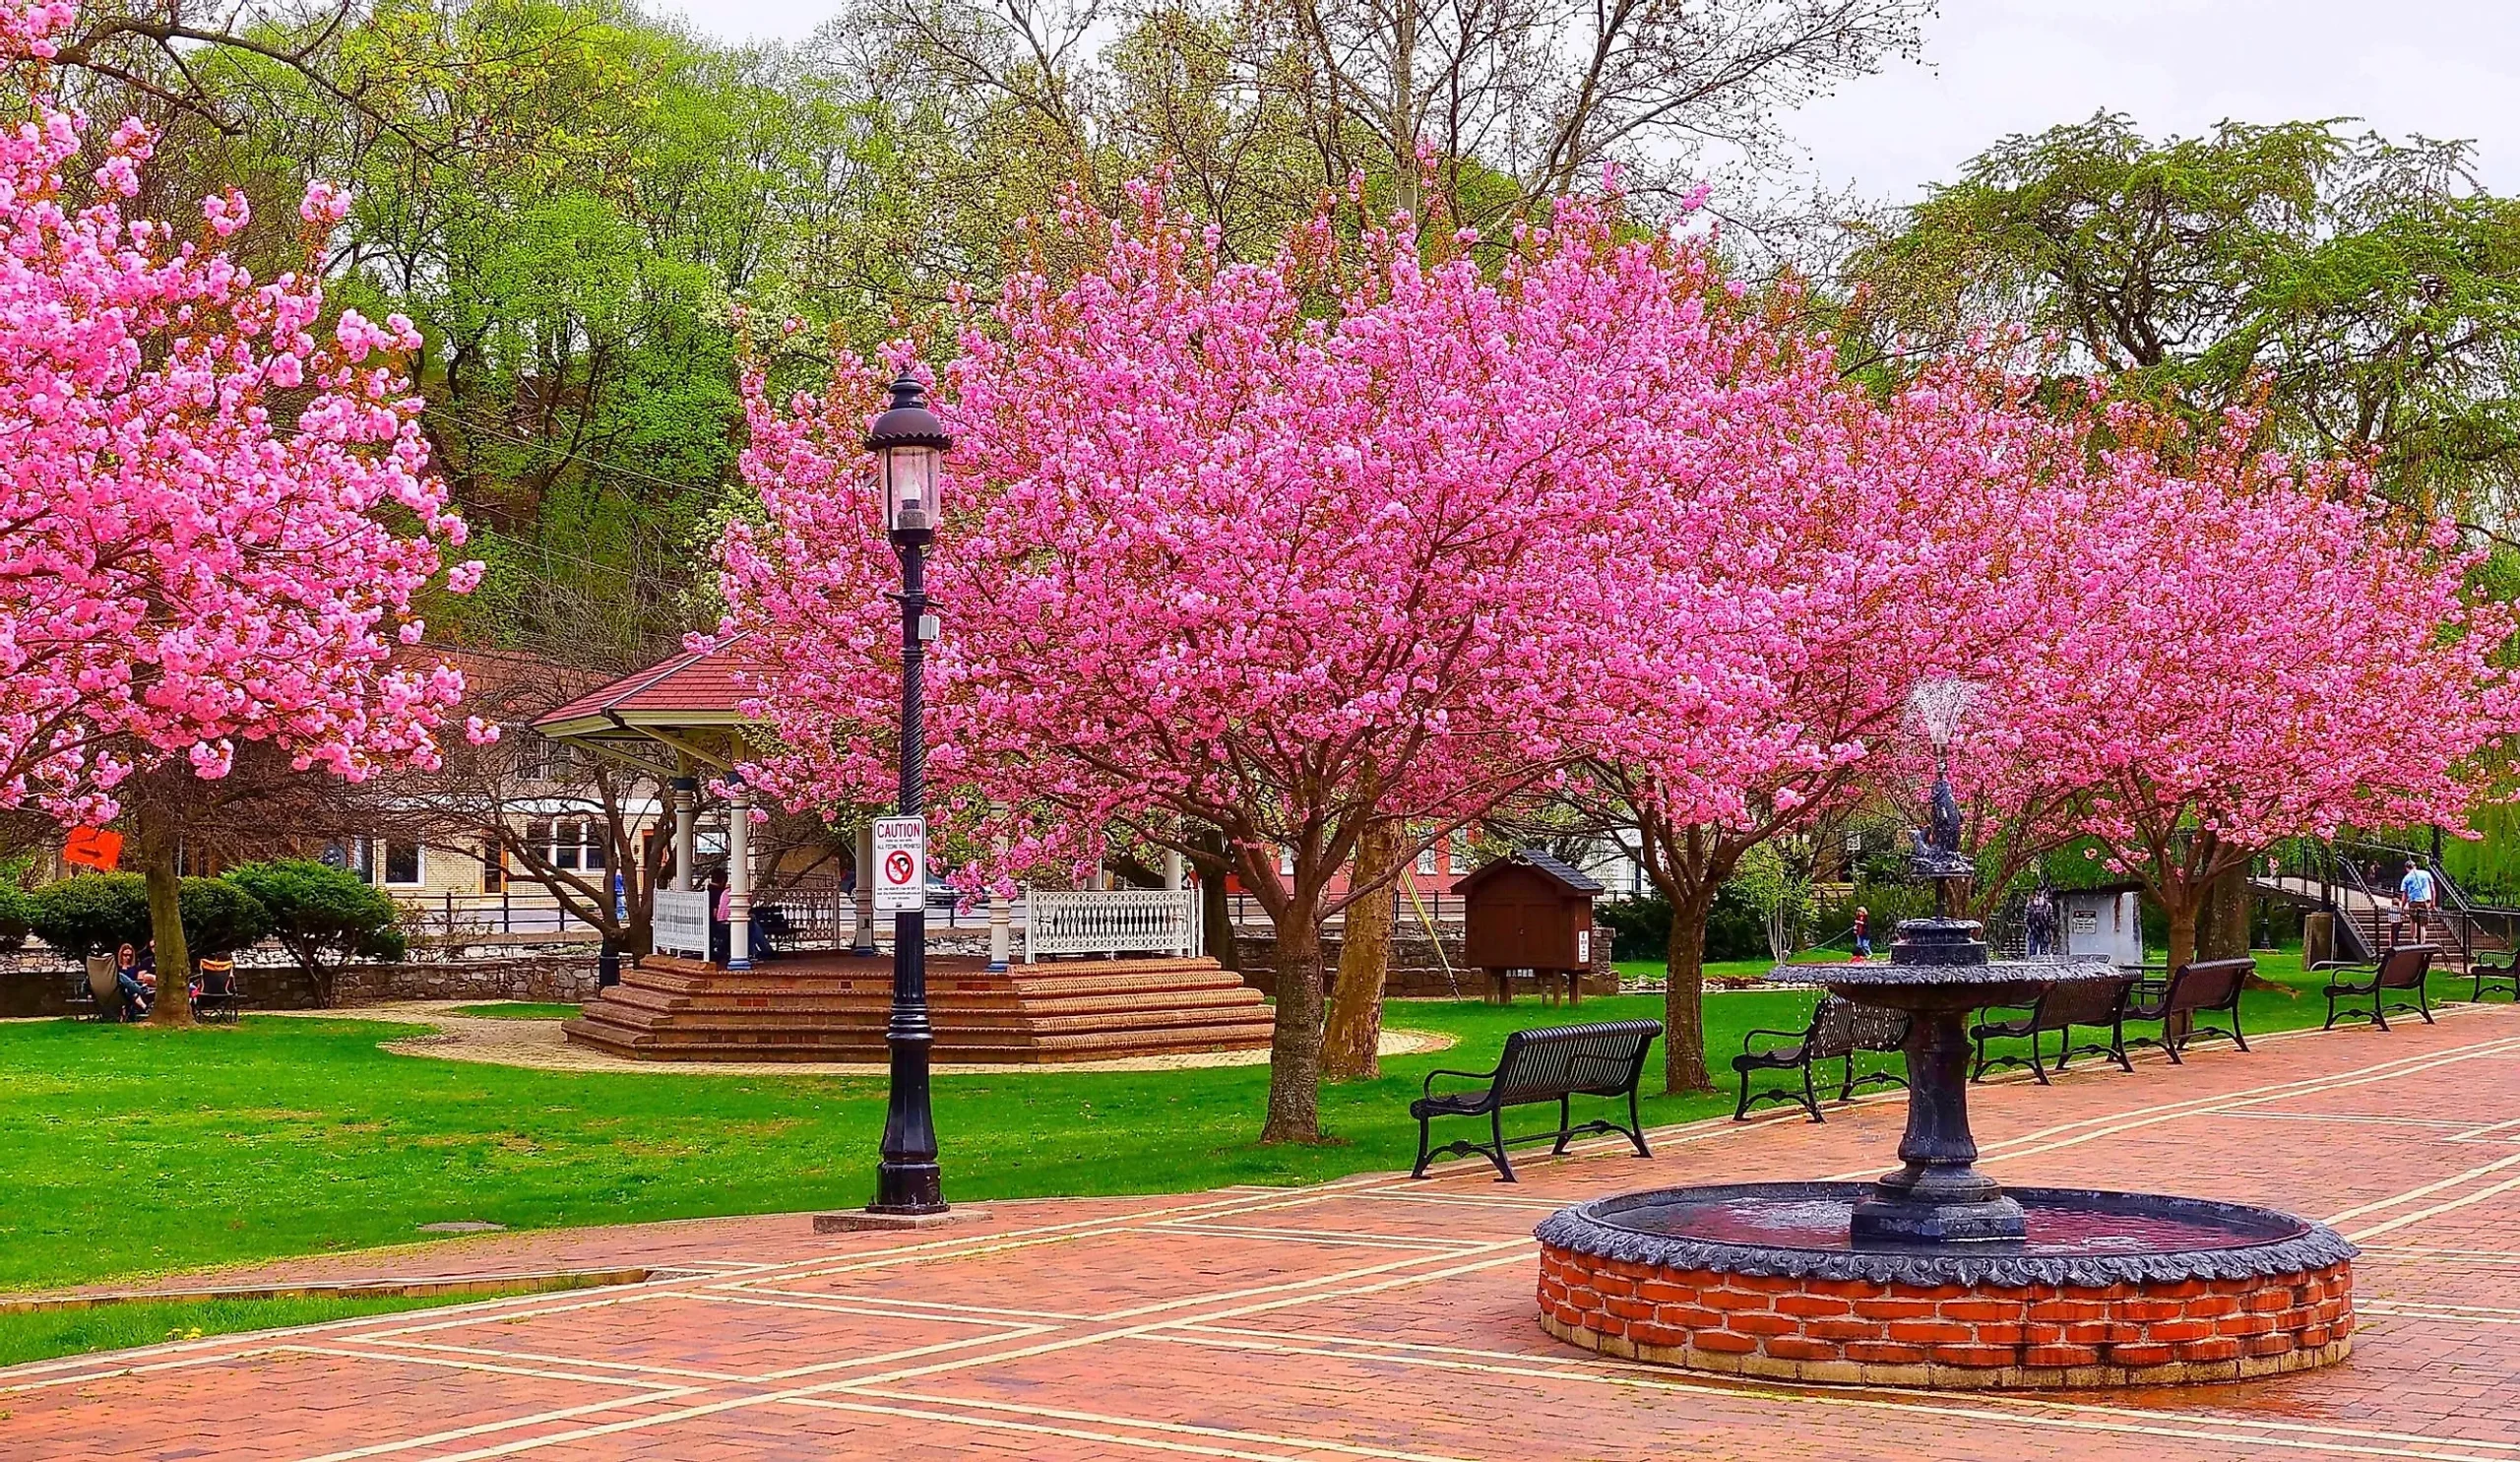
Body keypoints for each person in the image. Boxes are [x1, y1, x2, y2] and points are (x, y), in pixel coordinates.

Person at [112, 941, 149, 1021]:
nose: (127, 957)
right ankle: (145, 1006)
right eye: (125, 955)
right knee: (121, 976)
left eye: (130, 955)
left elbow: (138, 979)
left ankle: (142, 1006)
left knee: (129, 990)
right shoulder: (116, 967)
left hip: (130, 991)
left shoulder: (135, 968)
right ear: (121, 955)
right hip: (117, 990)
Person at [2400, 862, 2435, 943]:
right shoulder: (2426, 874)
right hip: (2425, 901)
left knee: (2413, 920)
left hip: (2413, 901)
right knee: (2422, 924)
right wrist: (2433, 903)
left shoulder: (2406, 878)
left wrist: (2402, 906)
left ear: (2406, 868)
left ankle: (2413, 939)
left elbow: (2404, 895)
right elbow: (2433, 890)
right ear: (2415, 866)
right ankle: (2422, 942)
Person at [2025, 884, 2058, 958]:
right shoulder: (2048, 905)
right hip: (2044, 930)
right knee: (2044, 952)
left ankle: (2031, 964)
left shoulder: (2030, 905)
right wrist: (2052, 929)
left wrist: (2028, 929)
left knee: (2032, 952)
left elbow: (2026, 919)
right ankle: (2044, 965)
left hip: (2033, 930)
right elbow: (2051, 918)